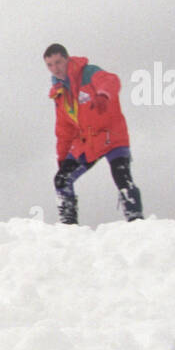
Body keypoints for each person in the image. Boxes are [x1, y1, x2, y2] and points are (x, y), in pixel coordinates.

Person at [44, 43, 143, 223]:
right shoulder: (59, 93)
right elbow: (64, 129)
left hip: (111, 136)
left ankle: (136, 221)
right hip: (87, 141)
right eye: (50, 65)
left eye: (58, 62)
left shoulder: (88, 73)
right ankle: (68, 226)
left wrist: (103, 94)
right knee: (61, 180)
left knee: (123, 178)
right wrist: (62, 160)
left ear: (67, 59)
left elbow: (111, 80)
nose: (55, 68)